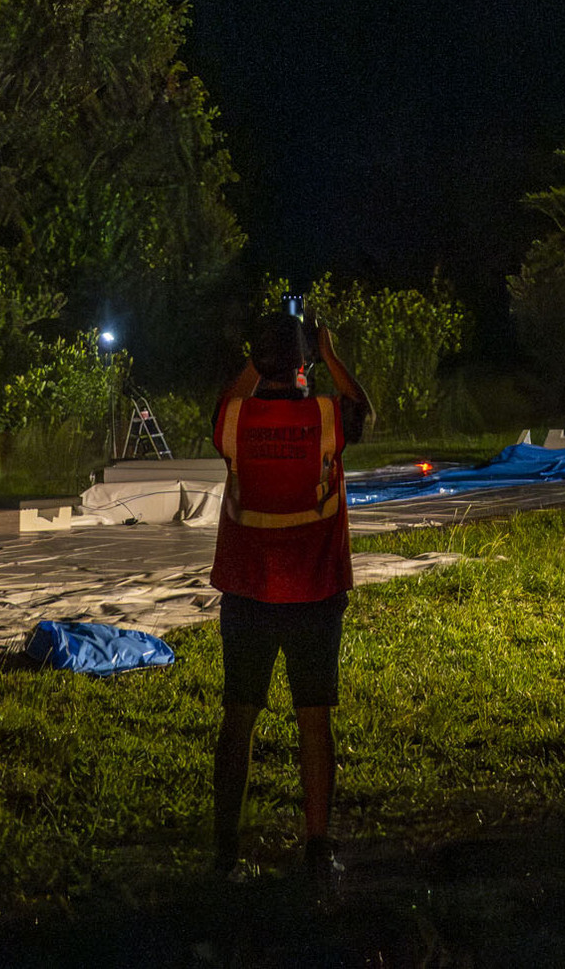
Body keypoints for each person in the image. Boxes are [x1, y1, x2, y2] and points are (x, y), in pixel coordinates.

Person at [209, 307, 372, 894]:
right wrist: (328, 354)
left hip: (248, 592)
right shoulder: (327, 418)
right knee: (314, 721)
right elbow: (365, 412)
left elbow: (224, 406)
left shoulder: (235, 420)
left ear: (259, 361)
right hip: (315, 591)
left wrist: (259, 359)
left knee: (239, 718)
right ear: (304, 364)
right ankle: (318, 846)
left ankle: (225, 853)